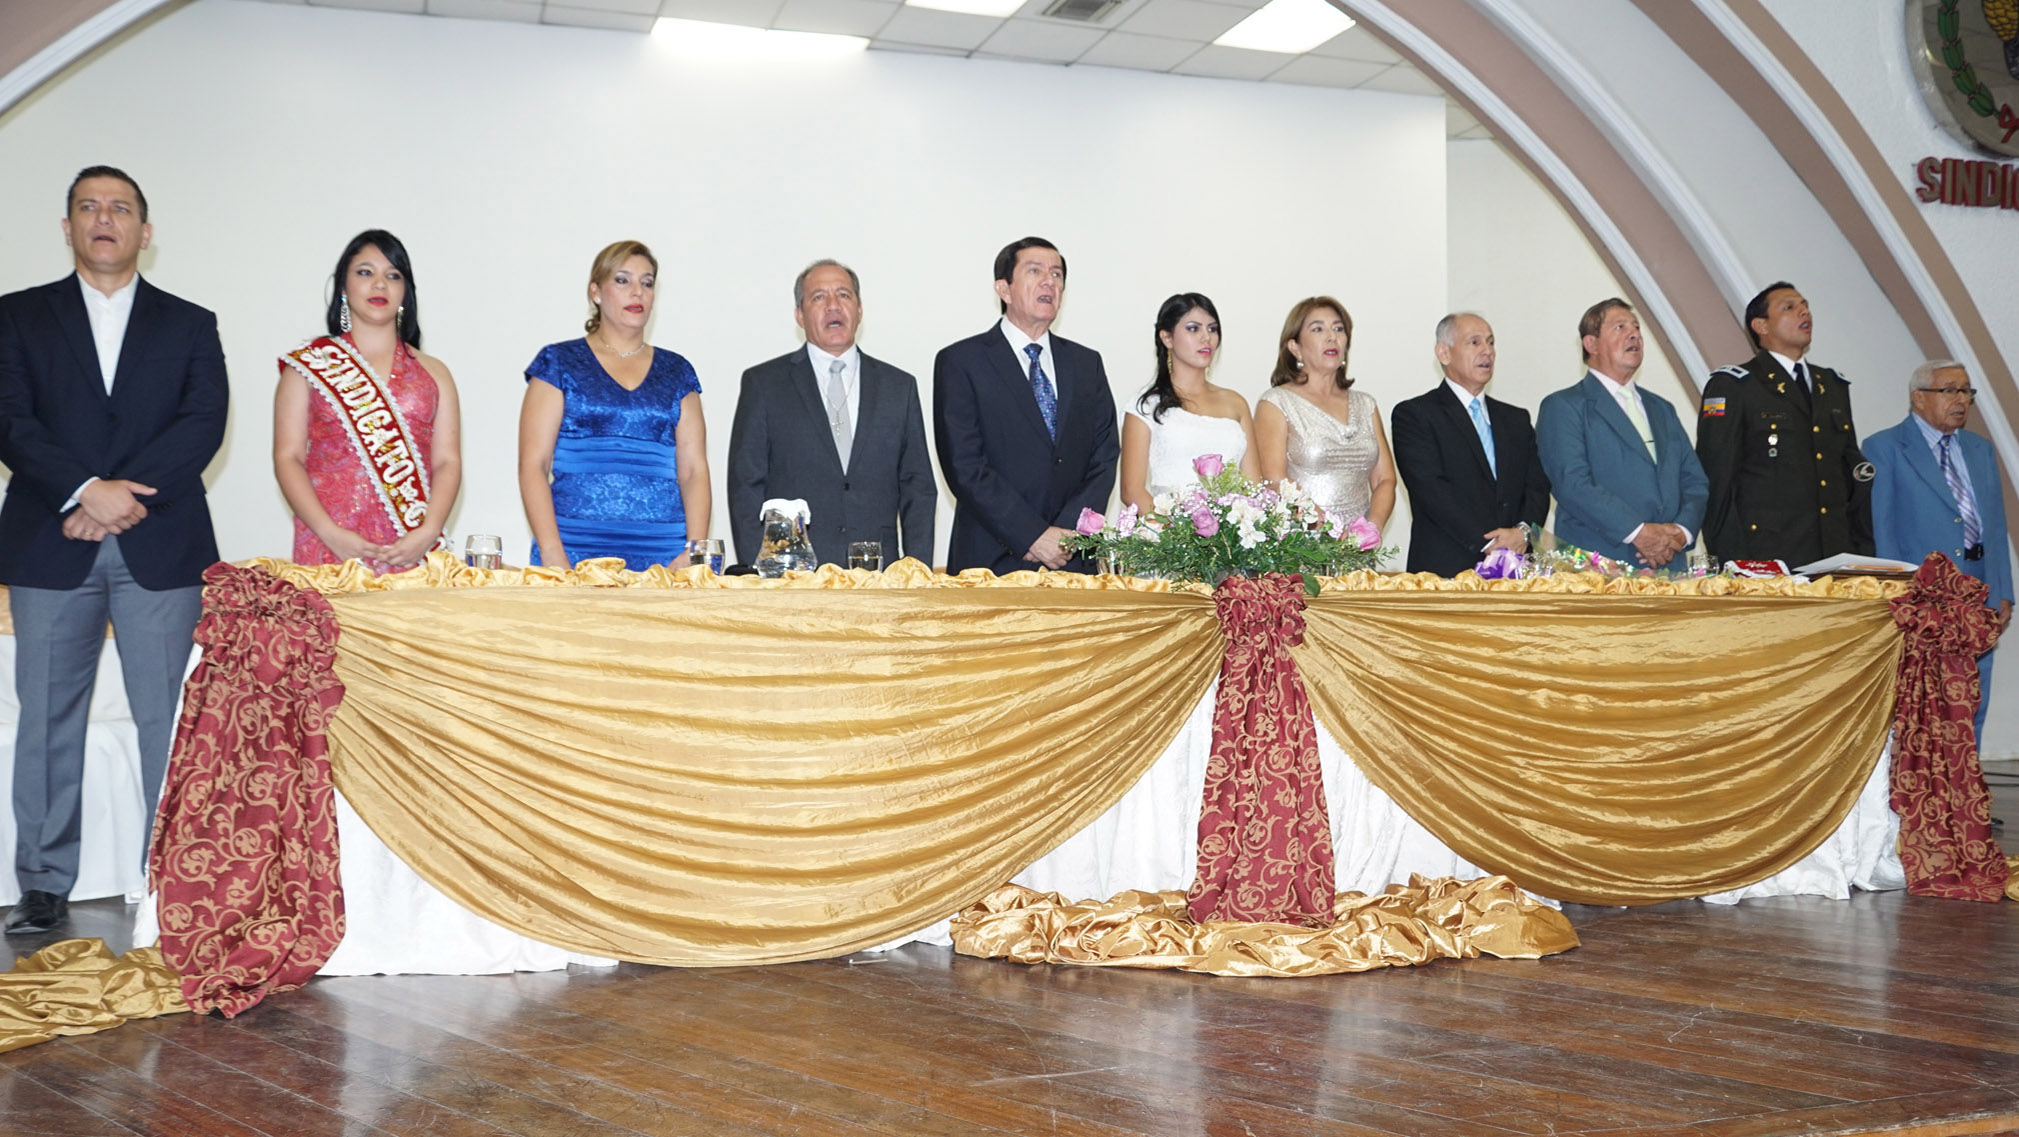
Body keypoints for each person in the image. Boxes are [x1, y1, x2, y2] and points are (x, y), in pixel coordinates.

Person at [0, 166, 228, 935]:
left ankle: (170, 877)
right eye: (89, 207)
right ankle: (42, 882)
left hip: (159, 548)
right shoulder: (16, 317)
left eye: (121, 208)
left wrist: (116, 498)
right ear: (66, 227)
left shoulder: (191, 323)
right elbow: (10, 421)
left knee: (172, 720)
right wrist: (82, 490)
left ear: (145, 230)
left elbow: (202, 425)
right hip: (48, 541)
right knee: (46, 721)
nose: (105, 218)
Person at [273, 230, 462, 573]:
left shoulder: (435, 373)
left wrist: (428, 531)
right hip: (329, 542)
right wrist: (331, 534)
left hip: (411, 544)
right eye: (365, 272)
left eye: (393, 276)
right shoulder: (309, 367)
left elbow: (447, 461)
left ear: (406, 292)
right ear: (343, 285)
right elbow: (288, 457)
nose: (379, 285)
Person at [725, 259, 935, 568]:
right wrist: (759, 570)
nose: (833, 305)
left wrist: (916, 570)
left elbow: (917, 485)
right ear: (800, 315)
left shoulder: (898, 386)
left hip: (877, 572)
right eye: (819, 297)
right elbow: (746, 485)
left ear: (860, 310)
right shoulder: (764, 384)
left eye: (843, 295)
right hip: (793, 575)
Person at [518, 240, 709, 571]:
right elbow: (534, 465)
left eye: (646, 283)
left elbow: (693, 470)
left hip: (665, 559)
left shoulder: (677, 371)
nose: (637, 292)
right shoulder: (558, 363)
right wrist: (552, 553)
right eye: (623, 280)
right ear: (596, 291)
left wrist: (695, 551)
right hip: (573, 552)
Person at [933, 237, 1118, 574]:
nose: (1050, 282)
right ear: (1004, 289)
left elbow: (1104, 458)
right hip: (990, 559)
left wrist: (1065, 537)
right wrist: (1033, 535)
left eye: (1057, 274)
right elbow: (964, 465)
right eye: (1035, 271)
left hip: (1073, 560)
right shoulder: (961, 362)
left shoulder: (1086, 363)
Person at [1865, 360, 2011, 743]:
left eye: (1966, 391)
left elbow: (1994, 525)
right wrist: (1897, 591)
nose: (1961, 399)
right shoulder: (1883, 447)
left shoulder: (1979, 449)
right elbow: (1882, 525)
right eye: (1950, 390)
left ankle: (1968, 788)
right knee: (1924, 701)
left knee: (1973, 694)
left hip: (1976, 589)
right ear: (1919, 398)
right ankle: (1926, 794)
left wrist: (2002, 592)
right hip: (1922, 593)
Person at [1695, 282, 1873, 566]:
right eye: (1789, 307)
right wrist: (1734, 563)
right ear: (1761, 326)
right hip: (1768, 556)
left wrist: (1862, 550)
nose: (1804, 312)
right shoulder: (1735, 385)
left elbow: (1851, 474)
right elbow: (1717, 481)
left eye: (1805, 305)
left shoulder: (1832, 385)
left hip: (1835, 553)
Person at [1536, 297, 1707, 568]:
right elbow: (1572, 484)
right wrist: (1639, 532)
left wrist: (1680, 533)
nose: (1634, 334)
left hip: (1670, 563)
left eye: (1636, 327)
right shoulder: (1564, 406)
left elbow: (1695, 482)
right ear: (1591, 344)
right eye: (1620, 327)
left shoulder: (1662, 409)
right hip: (1601, 567)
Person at [1389, 312, 1551, 576]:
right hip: (1446, 570)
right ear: (1444, 353)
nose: (1487, 351)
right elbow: (1431, 490)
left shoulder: (1515, 419)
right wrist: (1491, 543)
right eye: (1474, 343)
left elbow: (1538, 487)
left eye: (1490, 342)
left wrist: (1522, 533)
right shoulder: (1416, 415)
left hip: (1517, 570)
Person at [1254, 296, 1396, 530]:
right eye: (1318, 329)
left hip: (1358, 550)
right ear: (1295, 347)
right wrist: (1328, 530)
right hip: (1301, 548)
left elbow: (1385, 479)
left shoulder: (1366, 404)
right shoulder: (1276, 402)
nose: (1332, 337)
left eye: (1338, 329)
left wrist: (1372, 528)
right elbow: (1274, 480)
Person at [1119, 292, 1258, 515]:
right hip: (1169, 539)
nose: (1207, 338)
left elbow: (1253, 488)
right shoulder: (1144, 405)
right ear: (1167, 338)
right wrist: (1178, 541)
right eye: (1193, 328)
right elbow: (1131, 491)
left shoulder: (1236, 403)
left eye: (1212, 329)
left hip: (1232, 543)